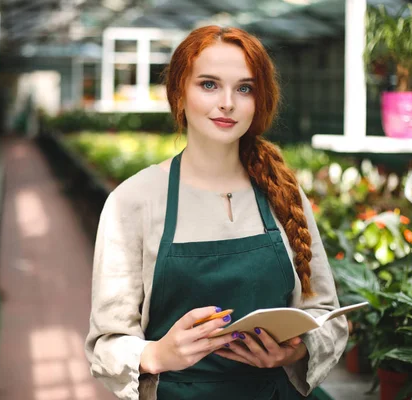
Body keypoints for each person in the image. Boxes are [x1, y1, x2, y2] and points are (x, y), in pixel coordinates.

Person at [85, 25, 348, 400]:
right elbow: (105, 343)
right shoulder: (133, 200)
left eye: (244, 88)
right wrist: (157, 353)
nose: (227, 102)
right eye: (209, 84)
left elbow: (326, 314)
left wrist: (297, 348)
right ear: (179, 91)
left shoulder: (283, 193)